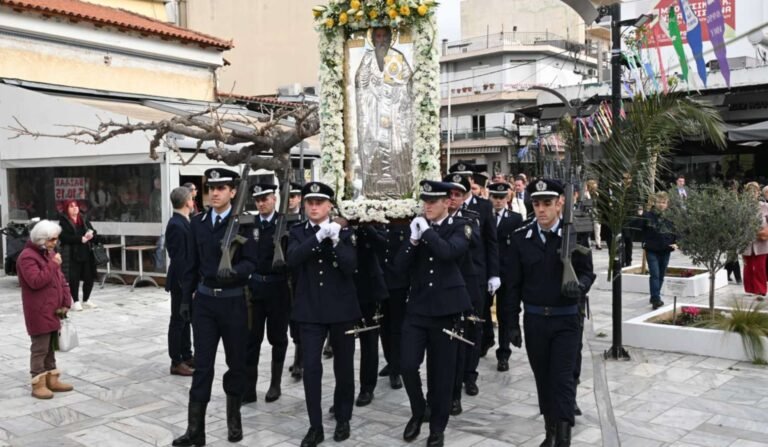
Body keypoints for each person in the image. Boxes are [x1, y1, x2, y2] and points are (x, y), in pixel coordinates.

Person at [501, 179, 595, 447]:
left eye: (547, 203)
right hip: (534, 321)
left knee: (562, 379)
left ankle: (563, 438)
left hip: (566, 319)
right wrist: (511, 324)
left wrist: (580, 286)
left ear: (560, 204)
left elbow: (588, 271)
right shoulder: (521, 238)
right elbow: (513, 286)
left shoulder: (574, 234)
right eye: (536, 203)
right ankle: (550, 431)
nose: (541, 209)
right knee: (543, 378)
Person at [173, 167, 257, 446]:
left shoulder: (245, 223)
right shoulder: (197, 223)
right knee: (203, 367)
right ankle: (195, 431)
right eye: (211, 188)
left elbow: (252, 262)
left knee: (236, 364)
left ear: (233, 192)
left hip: (234, 302)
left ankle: (234, 422)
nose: (215, 193)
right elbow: (190, 265)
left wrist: (235, 272)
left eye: (222, 188)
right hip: (206, 303)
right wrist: (185, 300)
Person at [396, 180, 472, 447]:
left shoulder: (460, 227)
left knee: (441, 374)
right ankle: (419, 411)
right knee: (406, 364)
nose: (427, 206)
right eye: (424, 201)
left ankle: (437, 427)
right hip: (417, 308)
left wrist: (426, 232)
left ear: (446, 203)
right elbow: (399, 266)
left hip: (445, 311)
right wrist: (413, 242)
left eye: (432, 201)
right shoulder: (417, 228)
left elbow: (448, 253)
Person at [286, 182, 360, 447]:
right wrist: (317, 238)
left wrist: (336, 239)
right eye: (310, 202)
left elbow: (351, 266)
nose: (314, 207)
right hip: (310, 310)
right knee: (312, 369)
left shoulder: (345, 231)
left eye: (320, 202)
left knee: (343, 366)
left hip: (341, 308)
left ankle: (343, 417)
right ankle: (315, 425)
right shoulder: (297, 232)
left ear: (330, 205)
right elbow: (292, 259)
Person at [243, 183, 291, 404]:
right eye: (258, 200)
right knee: (252, 339)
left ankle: (275, 384)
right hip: (254, 289)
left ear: (274, 199)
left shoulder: (286, 224)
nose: (261, 203)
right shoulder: (249, 225)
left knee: (278, 338)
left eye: (266, 199)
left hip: (278, 288)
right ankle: (249, 388)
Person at [18, 220, 75, 399]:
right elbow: (35, 281)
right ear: (41, 239)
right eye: (51, 240)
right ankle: (38, 382)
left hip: (54, 309)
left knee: (50, 347)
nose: (55, 243)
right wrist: (53, 265)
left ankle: (52, 378)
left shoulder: (49, 253)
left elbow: (60, 279)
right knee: (40, 347)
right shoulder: (27, 257)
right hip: (39, 310)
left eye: (56, 239)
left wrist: (67, 299)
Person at [355, 26, 413, 198]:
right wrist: (372, 90)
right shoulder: (367, 59)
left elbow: (408, 82)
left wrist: (397, 91)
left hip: (394, 115)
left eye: (384, 36)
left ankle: (401, 191)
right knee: (373, 149)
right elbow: (359, 84)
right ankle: (372, 191)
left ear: (389, 38)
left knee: (397, 149)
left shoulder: (398, 57)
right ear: (372, 39)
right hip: (373, 114)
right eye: (377, 36)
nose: (381, 40)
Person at [487, 182, 523, 372]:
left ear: (507, 198)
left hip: (507, 274)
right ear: (490, 197)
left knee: (505, 314)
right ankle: (485, 340)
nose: (498, 201)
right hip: (487, 273)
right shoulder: (483, 217)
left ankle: (503, 354)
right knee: (483, 311)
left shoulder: (515, 219)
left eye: (502, 197)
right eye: (495, 197)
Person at [165, 186, 195, 377]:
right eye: (192, 199)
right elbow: (179, 258)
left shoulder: (184, 221)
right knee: (178, 320)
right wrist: (187, 284)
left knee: (186, 319)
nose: (194, 202)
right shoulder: (176, 224)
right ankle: (176, 361)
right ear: (187, 202)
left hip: (186, 279)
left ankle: (186, 354)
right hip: (180, 281)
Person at [640, 192, 678, 310]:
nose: (661, 205)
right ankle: (656, 299)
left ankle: (654, 296)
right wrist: (644, 241)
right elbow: (639, 229)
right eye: (659, 202)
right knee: (655, 274)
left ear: (667, 204)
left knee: (661, 274)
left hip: (666, 249)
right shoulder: (648, 215)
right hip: (651, 249)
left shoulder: (671, 216)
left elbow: (678, 230)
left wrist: (677, 243)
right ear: (655, 203)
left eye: (663, 202)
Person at [58, 200, 97, 311]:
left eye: (76, 206)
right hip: (72, 253)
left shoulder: (83, 218)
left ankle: (86, 299)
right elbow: (64, 237)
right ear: (67, 209)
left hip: (86, 251)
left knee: (89, 277)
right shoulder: (63, 222)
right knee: (73, 278)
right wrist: (80, 239)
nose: (75, 208)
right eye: (71, 206)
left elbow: (92, 230)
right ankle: (76, 301)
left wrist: (91, 234)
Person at [742, 182, 768, 300]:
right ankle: (750, 289)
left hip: (762, 241)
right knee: (748, 267)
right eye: (750, 191)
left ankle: (761, 289)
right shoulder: (741, 207)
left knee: (760, 267)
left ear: (758, 193)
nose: (753, 193)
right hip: (746, 241)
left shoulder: (764, 206)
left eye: (755, 191)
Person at [584, 179, 601, 249]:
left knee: (597, 226)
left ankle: (598, 243)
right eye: (594, 187)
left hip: (595, 211)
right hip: (587, 211)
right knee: (588, 227)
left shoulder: (597, 194)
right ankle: (588, 242)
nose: (595, 188)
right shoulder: (585, 194)